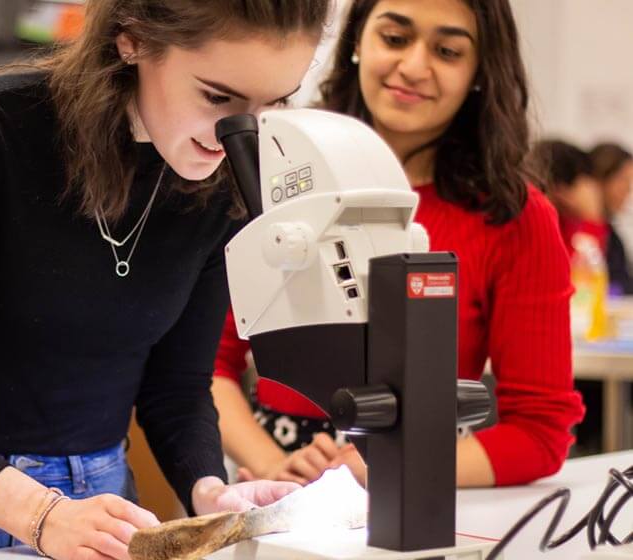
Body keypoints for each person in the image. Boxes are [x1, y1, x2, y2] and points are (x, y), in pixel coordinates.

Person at [0, 1, 332, 558]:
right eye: (217, 97)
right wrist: (40, 514)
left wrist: (209, 489)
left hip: (104, 505)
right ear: (132, 40)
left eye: (274, 103)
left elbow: (176, 387)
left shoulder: (224, 177)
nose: (238, 136)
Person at [213, 0, 585, 489]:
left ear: (479, 71)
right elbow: (207, 368)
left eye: (448, 51)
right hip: (275, 486)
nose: (413, 67)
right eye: (394, 38)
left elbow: (539, 432)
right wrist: (272, 466)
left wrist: (394, 466)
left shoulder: (516, 218)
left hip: (423, 488)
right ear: (356, 45)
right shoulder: (271, 178)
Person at [590, 142, 633, 295]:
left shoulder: (611, 234)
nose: (627, 190)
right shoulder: (579, 230)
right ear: (600, 178)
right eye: (623, 180)